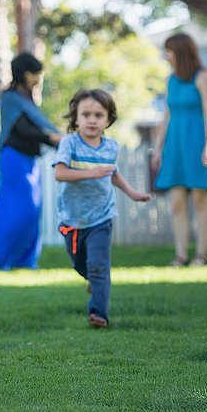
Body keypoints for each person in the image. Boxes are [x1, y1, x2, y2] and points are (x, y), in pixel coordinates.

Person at [54, 89, 150, 328]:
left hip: (102, 216)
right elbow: (60, 173)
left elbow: (114, 174)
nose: (92, 120)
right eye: (86, 114)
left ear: (108, 119)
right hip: (72, 218)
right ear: (76, 118)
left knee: (99, 265)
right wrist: (92, 172)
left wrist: (133, 193)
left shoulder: (111, 147)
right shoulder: (69, 143)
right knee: (79, 263)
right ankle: (92, 279)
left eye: (99, 115)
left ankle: (99, 313)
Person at [0, 52, 61, 271]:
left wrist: (55, 138)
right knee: (16, 211)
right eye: (33, 73)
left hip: (30, 162)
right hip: (14, 161)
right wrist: (51, 137)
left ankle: (24, 260)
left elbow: (37, 127)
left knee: (32, 210)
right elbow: (24, 129)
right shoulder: (10, 98)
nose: (37, 78)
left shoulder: (29, 99)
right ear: (23, 73)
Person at [151, 32, 207, 267]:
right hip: (175, 144)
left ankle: (201, 255)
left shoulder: (203, 77)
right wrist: (157, 148)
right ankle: (181, 255)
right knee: (176, 202)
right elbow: (166, 116)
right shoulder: (170, 80)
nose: (166, 55)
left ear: (181, 52)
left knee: (199, 199)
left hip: (197, 142)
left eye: (169, 50)